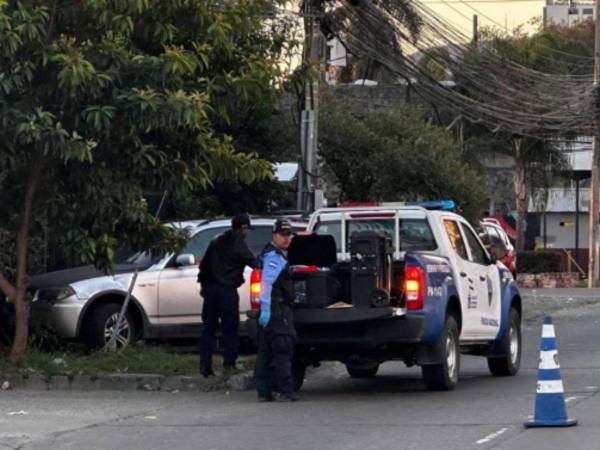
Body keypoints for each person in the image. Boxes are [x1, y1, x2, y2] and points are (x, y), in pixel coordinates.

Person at [198, 213, 257, 378]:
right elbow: (255, 263)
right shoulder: (239, 244)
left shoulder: (216, 241)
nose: (248, 233)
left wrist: (204, 287)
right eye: (247, 229)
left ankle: (205, 366)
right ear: (243, 228)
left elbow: (203, 266)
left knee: (208, 329)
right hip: (227, 291)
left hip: (210, 290)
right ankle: (229, 364)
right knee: (230, 329)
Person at [254, 218, 298, 402]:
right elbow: (267, 283)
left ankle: (264, 392)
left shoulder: (271, 253)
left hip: (271, 309)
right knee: (282, 349)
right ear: (274, 235)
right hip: (276, 309)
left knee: (265, 350)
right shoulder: (274, 257)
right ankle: (285, 390)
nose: (287, 239)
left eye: (289, 235)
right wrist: (266, 308)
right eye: (283, 235)